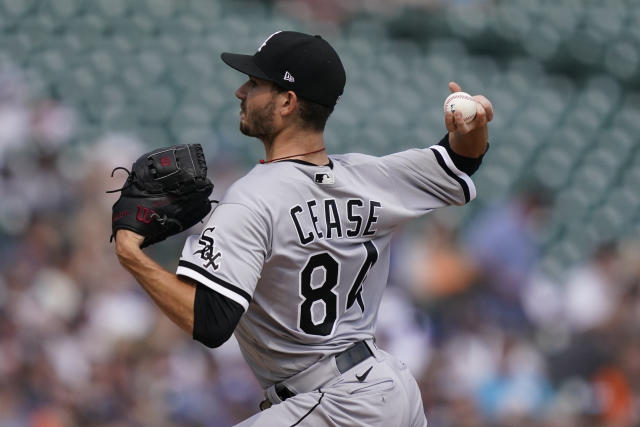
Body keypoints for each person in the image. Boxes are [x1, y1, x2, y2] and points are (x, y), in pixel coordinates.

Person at [114, 30, 493, 426]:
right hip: (386, 391)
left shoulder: (251, 199)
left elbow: (210, 323)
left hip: (337, 404)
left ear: (287, 102)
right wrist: (475, 125)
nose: (240, 92)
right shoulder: (370, 177)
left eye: (256, 83)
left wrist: (130, 255)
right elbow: (460, 160)